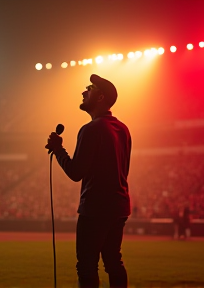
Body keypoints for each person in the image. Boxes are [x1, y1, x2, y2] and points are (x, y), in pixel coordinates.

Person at [45, 74, 131, 288]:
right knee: (113, 262)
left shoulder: (91, 129)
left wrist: (58, 150)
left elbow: (75, 172)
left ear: (100, 97)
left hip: (95, 208)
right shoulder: (123, 129)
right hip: (119, 206)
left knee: (87, 266)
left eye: (89, 89)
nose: (84, 92)